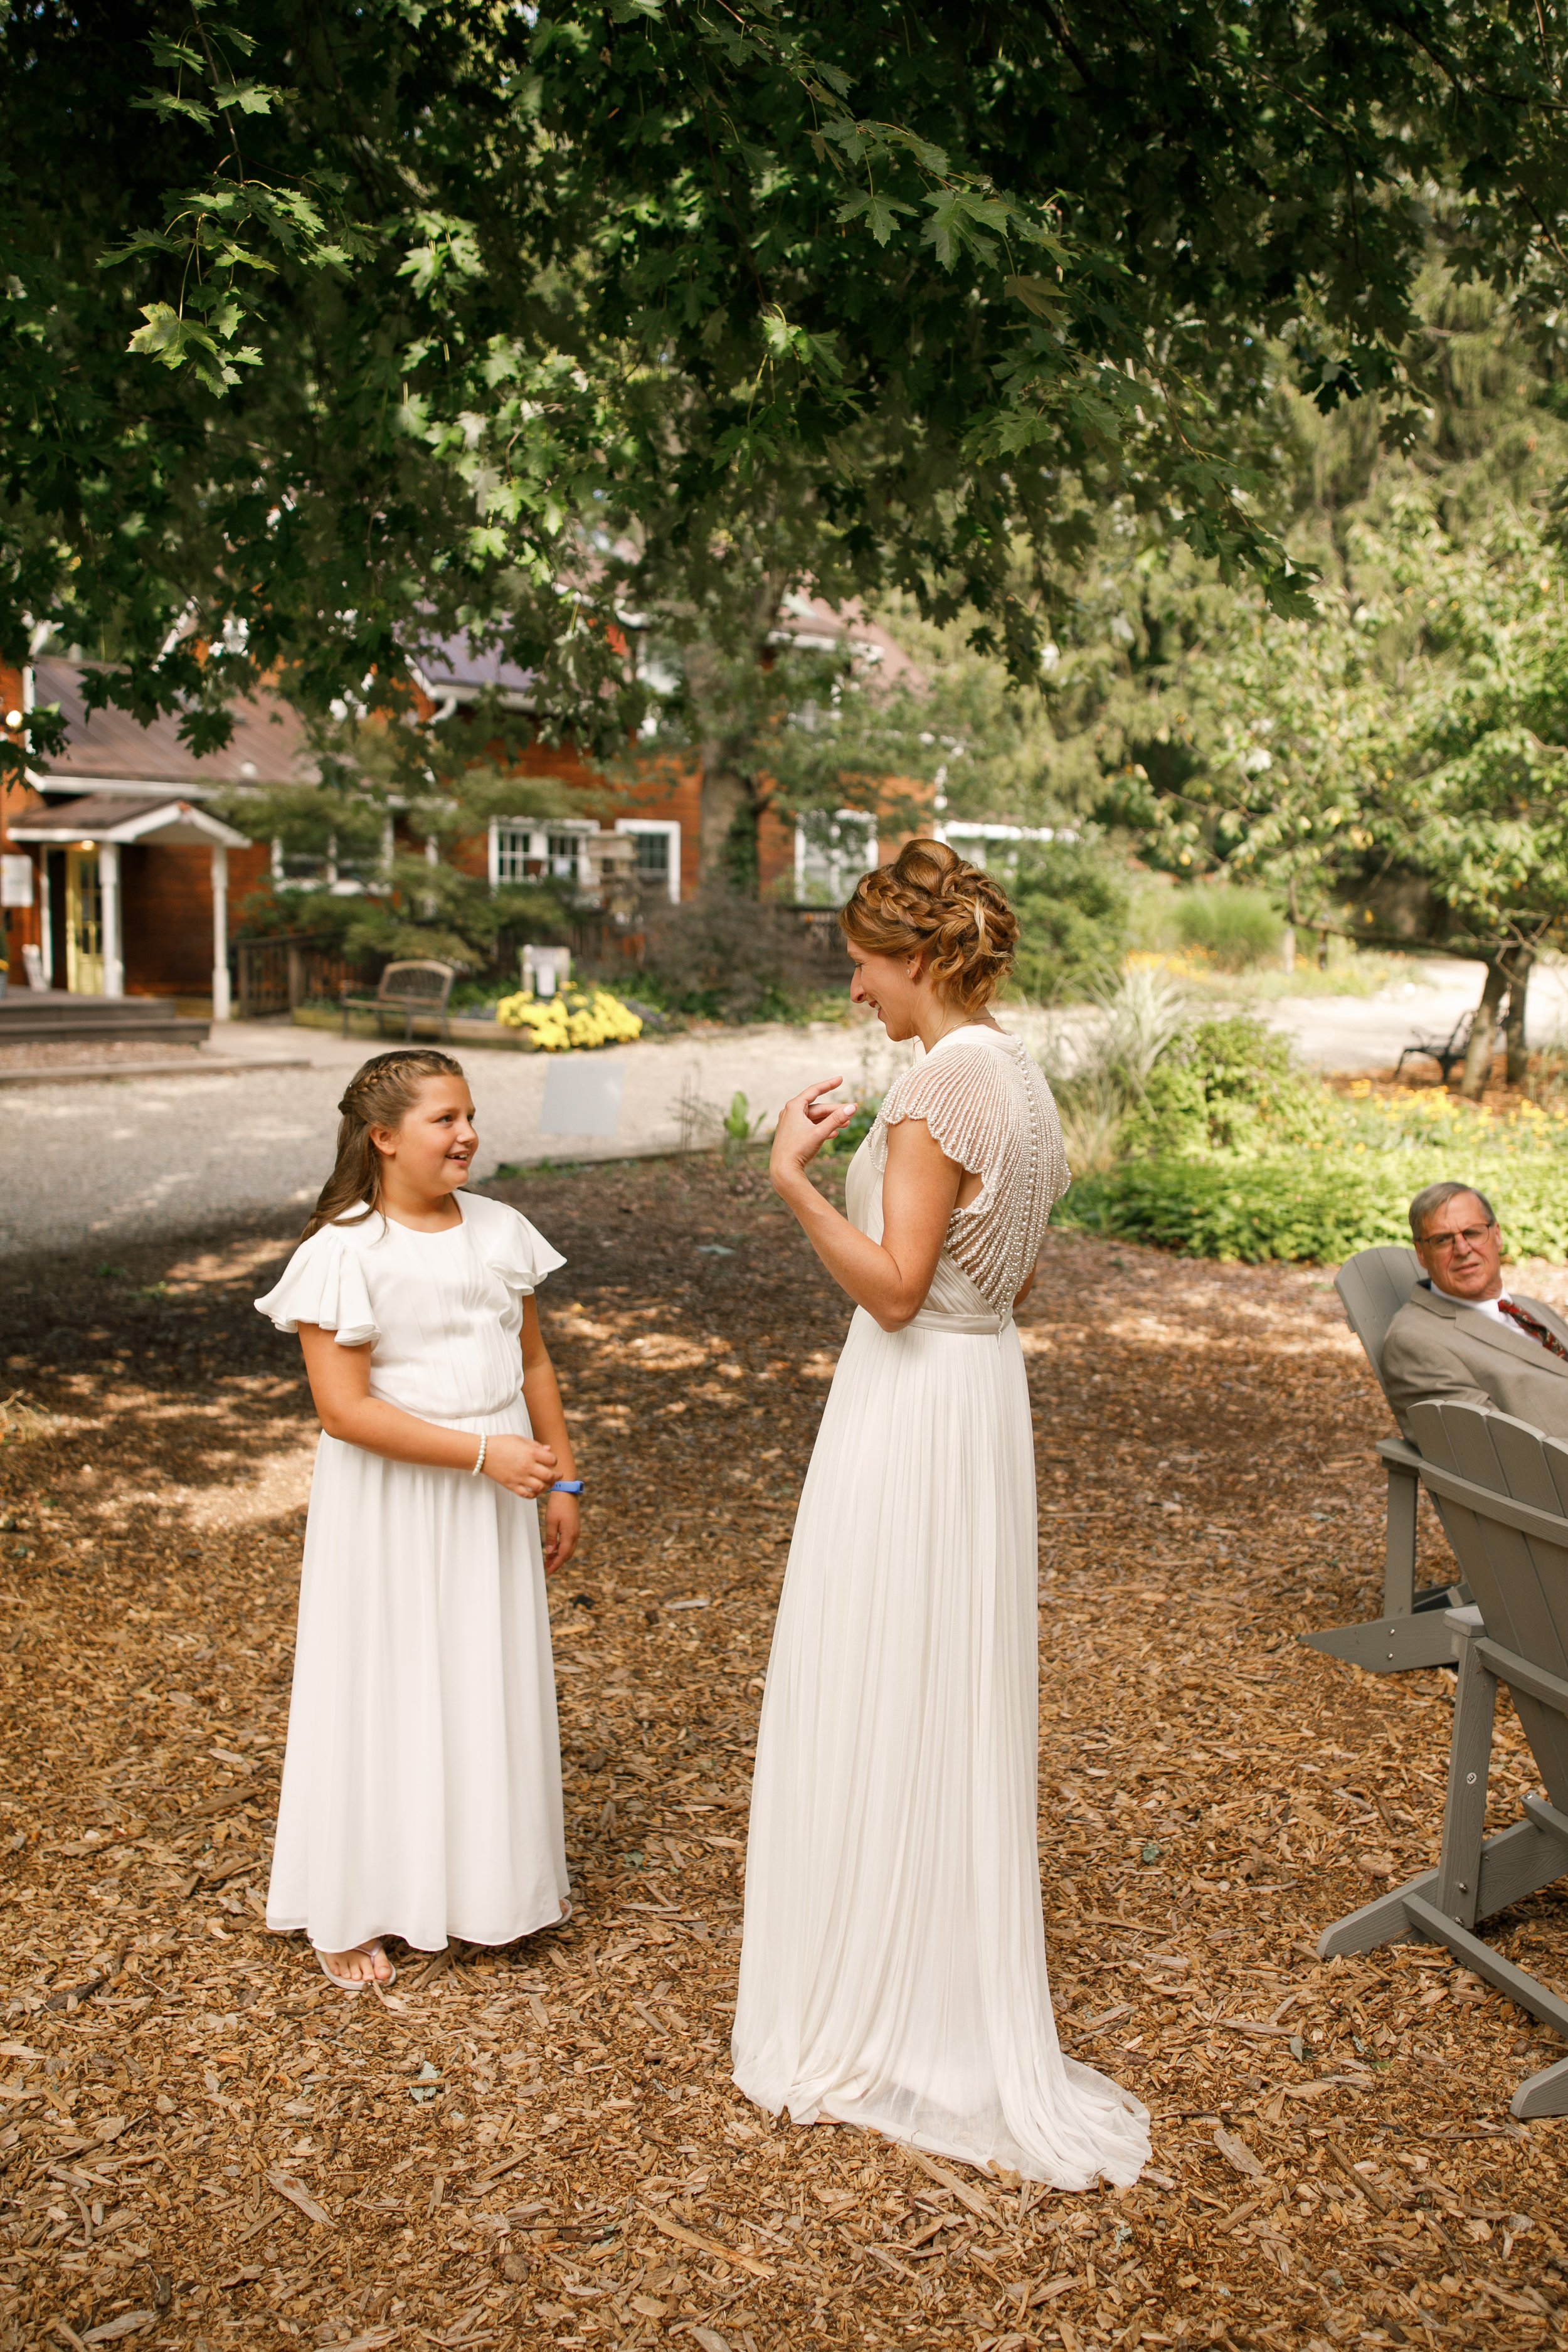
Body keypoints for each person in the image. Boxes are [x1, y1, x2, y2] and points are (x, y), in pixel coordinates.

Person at [731, 840, 1149, 2189]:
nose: (852, 986)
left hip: (913, 1400)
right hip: (974, 1398)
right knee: (928, 1681)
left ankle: (884, 2001)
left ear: (914, 960)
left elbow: (897, 1288)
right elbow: (982, 1268)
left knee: (874, 1673)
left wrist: (794, 1178)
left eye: (859, 959)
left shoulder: (937, 1085)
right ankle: (919, 1965)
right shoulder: (1014, 1073)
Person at [253, 1049, 580, 1989]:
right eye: (445, 1119)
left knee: (482, 1675)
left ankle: (485, 1888)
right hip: (398, 1499)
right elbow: (344, 1410)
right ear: (384, 1137)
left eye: (471, 1113)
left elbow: (534, 1363)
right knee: (385, 1684)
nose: (468, 1132)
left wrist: (563, 1478)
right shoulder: (342, 1251)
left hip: (503, 1488)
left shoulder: (500, 1229)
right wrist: (487, 1455)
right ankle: (353, 1903)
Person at [1381, 1181, 1568, 1439]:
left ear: (1498, 1236)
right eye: (1442, 1240)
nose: (1462, 1249)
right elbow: (1489, 1451)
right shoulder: (1415, 1342)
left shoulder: (1531, 1309)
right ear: (1422, 1254)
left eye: (1472, 1233)